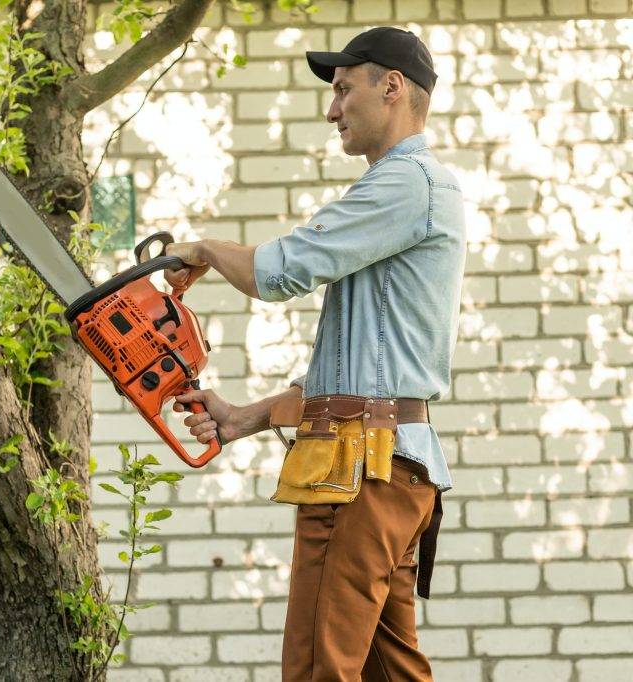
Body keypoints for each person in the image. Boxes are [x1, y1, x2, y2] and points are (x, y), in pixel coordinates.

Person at [163, 27, 465, 682]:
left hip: (363, 471)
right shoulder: (404, 196)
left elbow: (281, 270)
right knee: (393, 675)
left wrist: (206, 250)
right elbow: (359, 373)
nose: (332, 111)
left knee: (316, 671)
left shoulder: (405, 183)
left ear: (391, 88)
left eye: (342, 89)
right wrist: (249, 416)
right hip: (387, 463)